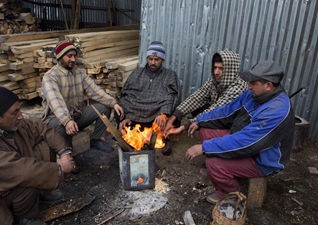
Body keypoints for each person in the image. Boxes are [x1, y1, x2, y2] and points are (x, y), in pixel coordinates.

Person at [185, 60, 296, 204]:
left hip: (261, 159)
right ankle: (221, 173)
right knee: (206, 131)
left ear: (268, 86)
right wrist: (200, 120)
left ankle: (230, 194)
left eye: (253, 83)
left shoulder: (276, 111)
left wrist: (205, 147)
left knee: (214, 162)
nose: (248, 86)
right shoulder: (254, 94)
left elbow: (246, 144)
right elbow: (227, 111)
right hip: (243, 141)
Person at [0, 81, 77, 225]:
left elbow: (45, 130)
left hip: (18, 174)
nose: (21, 116)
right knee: (28, 178)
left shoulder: (14, 123)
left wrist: (65, 154)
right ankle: (25, 218)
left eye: (19, 110)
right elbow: (21, 171)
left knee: (45, 146)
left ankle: (40, 194)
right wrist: (60, 169)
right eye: (15, 113)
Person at [42, 41, 124, 153]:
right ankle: (66, 153)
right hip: (56, 120)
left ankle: (97, 140)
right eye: (69, 56)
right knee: (60, 125)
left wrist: (113, 103)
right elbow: (56, 102)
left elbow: (95, 91)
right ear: (60, 57)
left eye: (74, 56)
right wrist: (67, 121)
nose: (73, 59)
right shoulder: (50, 77)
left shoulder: (79, 73)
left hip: (76, 116)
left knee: (103, 108)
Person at [164, 50, 248, 136]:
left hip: (229, 120)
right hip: (217, 112)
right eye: (215, 67)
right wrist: (174, 116)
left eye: (221, 68)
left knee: (205, 125)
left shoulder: (238, 87)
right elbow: (197, 97)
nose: (216, 72)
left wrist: (188, 124)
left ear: (230, 70)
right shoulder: (214, 80)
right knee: (196, 107)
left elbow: (217, 110)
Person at [116, 41, 180, 155]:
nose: (153, 62)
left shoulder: (170, 75)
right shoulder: (136, 73)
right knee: (119, 112)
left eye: (157, 60)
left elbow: (172, 96)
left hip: (156, 115)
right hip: (135, 113)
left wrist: (163, 113)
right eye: (150, 59)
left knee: (174, 113)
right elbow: (126, 95)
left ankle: (164, 138)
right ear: (147, 58)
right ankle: (136, 137)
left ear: (162, 60)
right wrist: (127, 116)